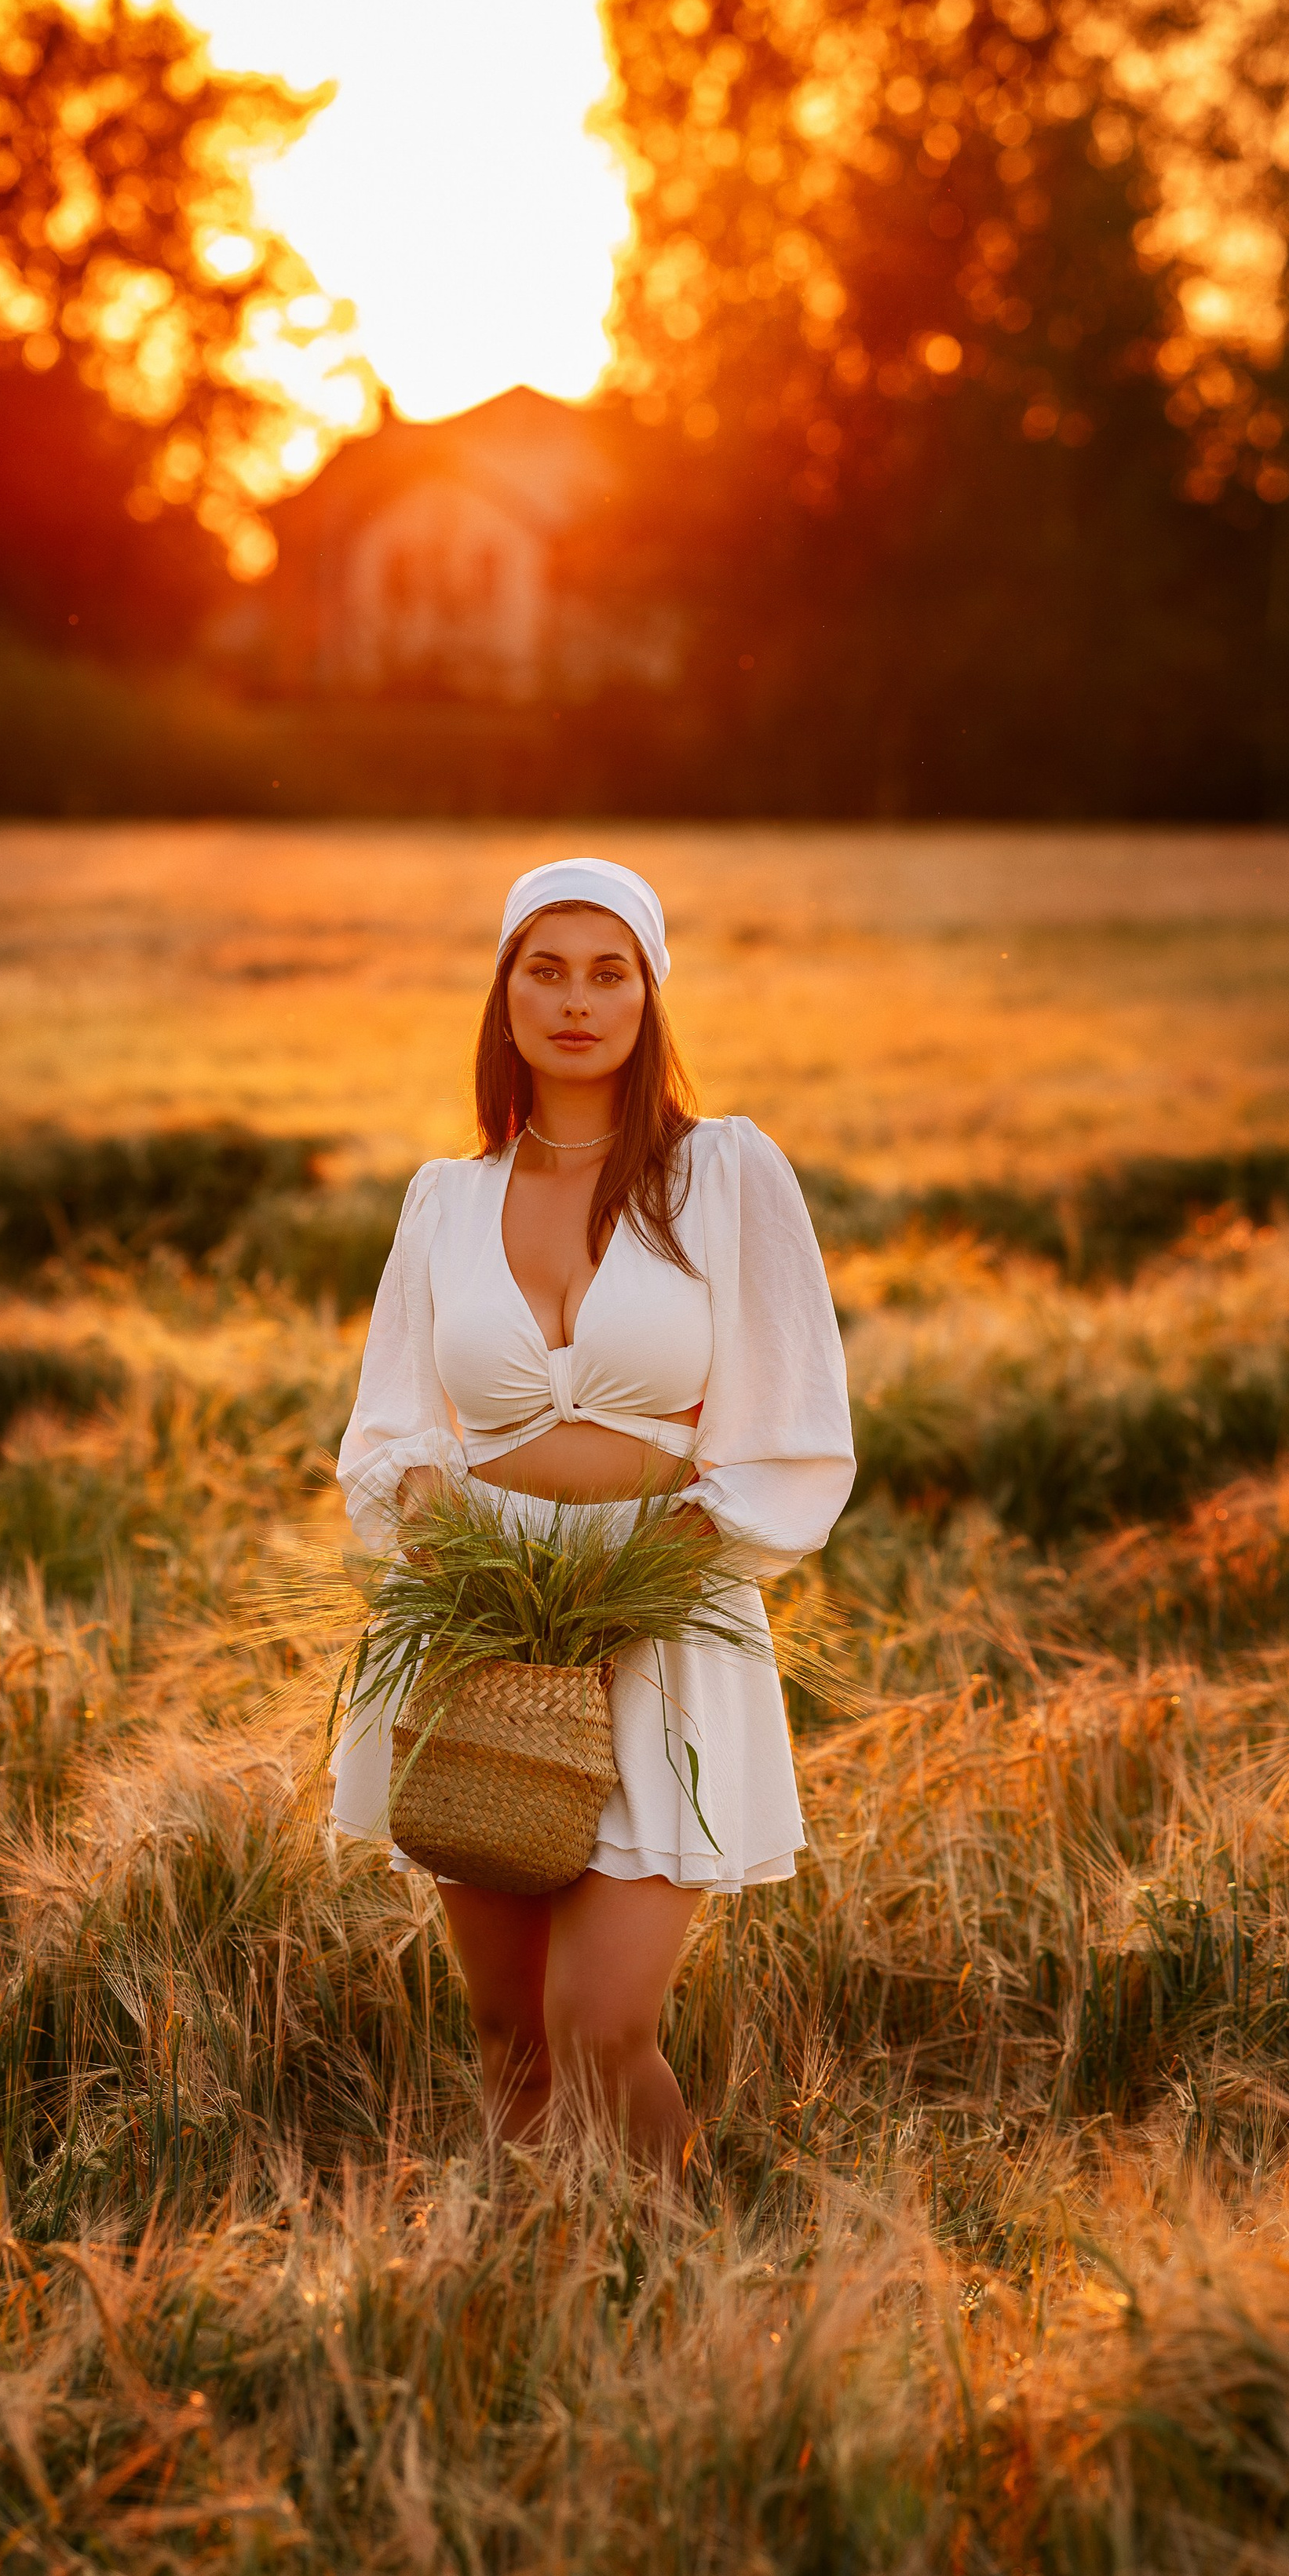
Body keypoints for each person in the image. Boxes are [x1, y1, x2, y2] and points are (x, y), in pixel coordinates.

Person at [330, 855, 854, 2169]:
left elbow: (798, 1423)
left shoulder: (723, 1174)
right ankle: (543, 2312)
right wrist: (439, 1510)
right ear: (503, 995)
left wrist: (659, 1566)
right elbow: (387, 1422)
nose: (576, 998)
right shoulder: (445, 1200)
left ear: (650, 993)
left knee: (600, 2021)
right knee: (511, 2031)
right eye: (544, 968)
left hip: (661, 1609)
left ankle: (687, 2292)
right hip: (471, 1618)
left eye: (608, 969)